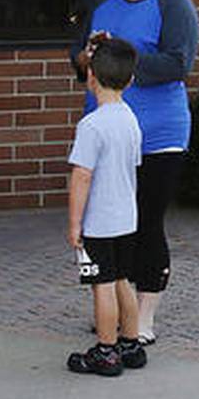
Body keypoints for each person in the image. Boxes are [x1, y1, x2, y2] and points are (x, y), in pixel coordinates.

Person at [71, 0, 199, 346]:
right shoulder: (104, 2)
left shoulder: (173, 4)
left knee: (145, 222)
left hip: (158, 135)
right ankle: (117, 313)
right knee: (108, 226)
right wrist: (90, 56)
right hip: (106, 136)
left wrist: (121, 58)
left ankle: (143, 319)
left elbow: (179, 63)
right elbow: (80, 60)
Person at [66, 36, 144, 377]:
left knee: (101, 285)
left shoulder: (91, 125)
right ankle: (131, 342)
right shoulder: (130, 120)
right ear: (130, 80)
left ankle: (106, 350)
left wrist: (74, 224)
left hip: (98, 223)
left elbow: (81, 177)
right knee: (124, 280)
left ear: (91, 77)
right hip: (127, 219)